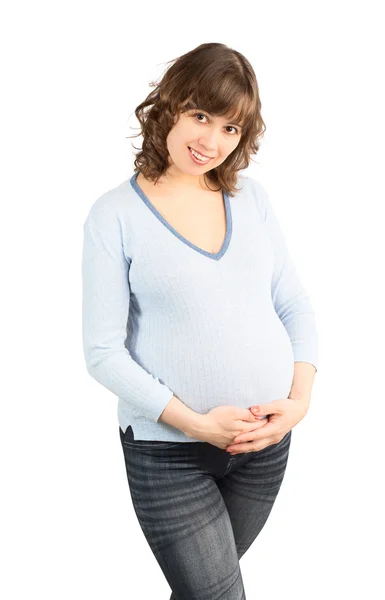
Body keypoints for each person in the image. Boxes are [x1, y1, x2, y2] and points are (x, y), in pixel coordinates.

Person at [81, 42, 319, 600]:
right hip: (168, 453)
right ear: (169, 106)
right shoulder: (114, 215)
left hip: (264, 446)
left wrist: (299, 402)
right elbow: (102, 352)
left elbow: (294, 304)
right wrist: (196, 424)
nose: (212, 141)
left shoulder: (251, 199)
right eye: (201, 116)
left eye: (231, 128)